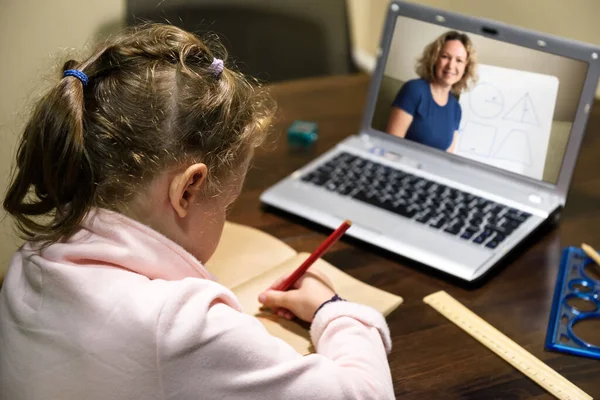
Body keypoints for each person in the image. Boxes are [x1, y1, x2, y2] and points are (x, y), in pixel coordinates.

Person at [0, 24, 394, 399]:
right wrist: (335, 312)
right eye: (226, 205)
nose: (225, 216)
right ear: (187, 188)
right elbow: (364, 394)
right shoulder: (178, 327)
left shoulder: (27, 263)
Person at [386, 30, 478, 153]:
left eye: (459, 60)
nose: (451, 65)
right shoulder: (413, 90)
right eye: (445, 57)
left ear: (465, 68)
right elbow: (390, 147)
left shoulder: (456, 109)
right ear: (434, 59)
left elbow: (447, 156)